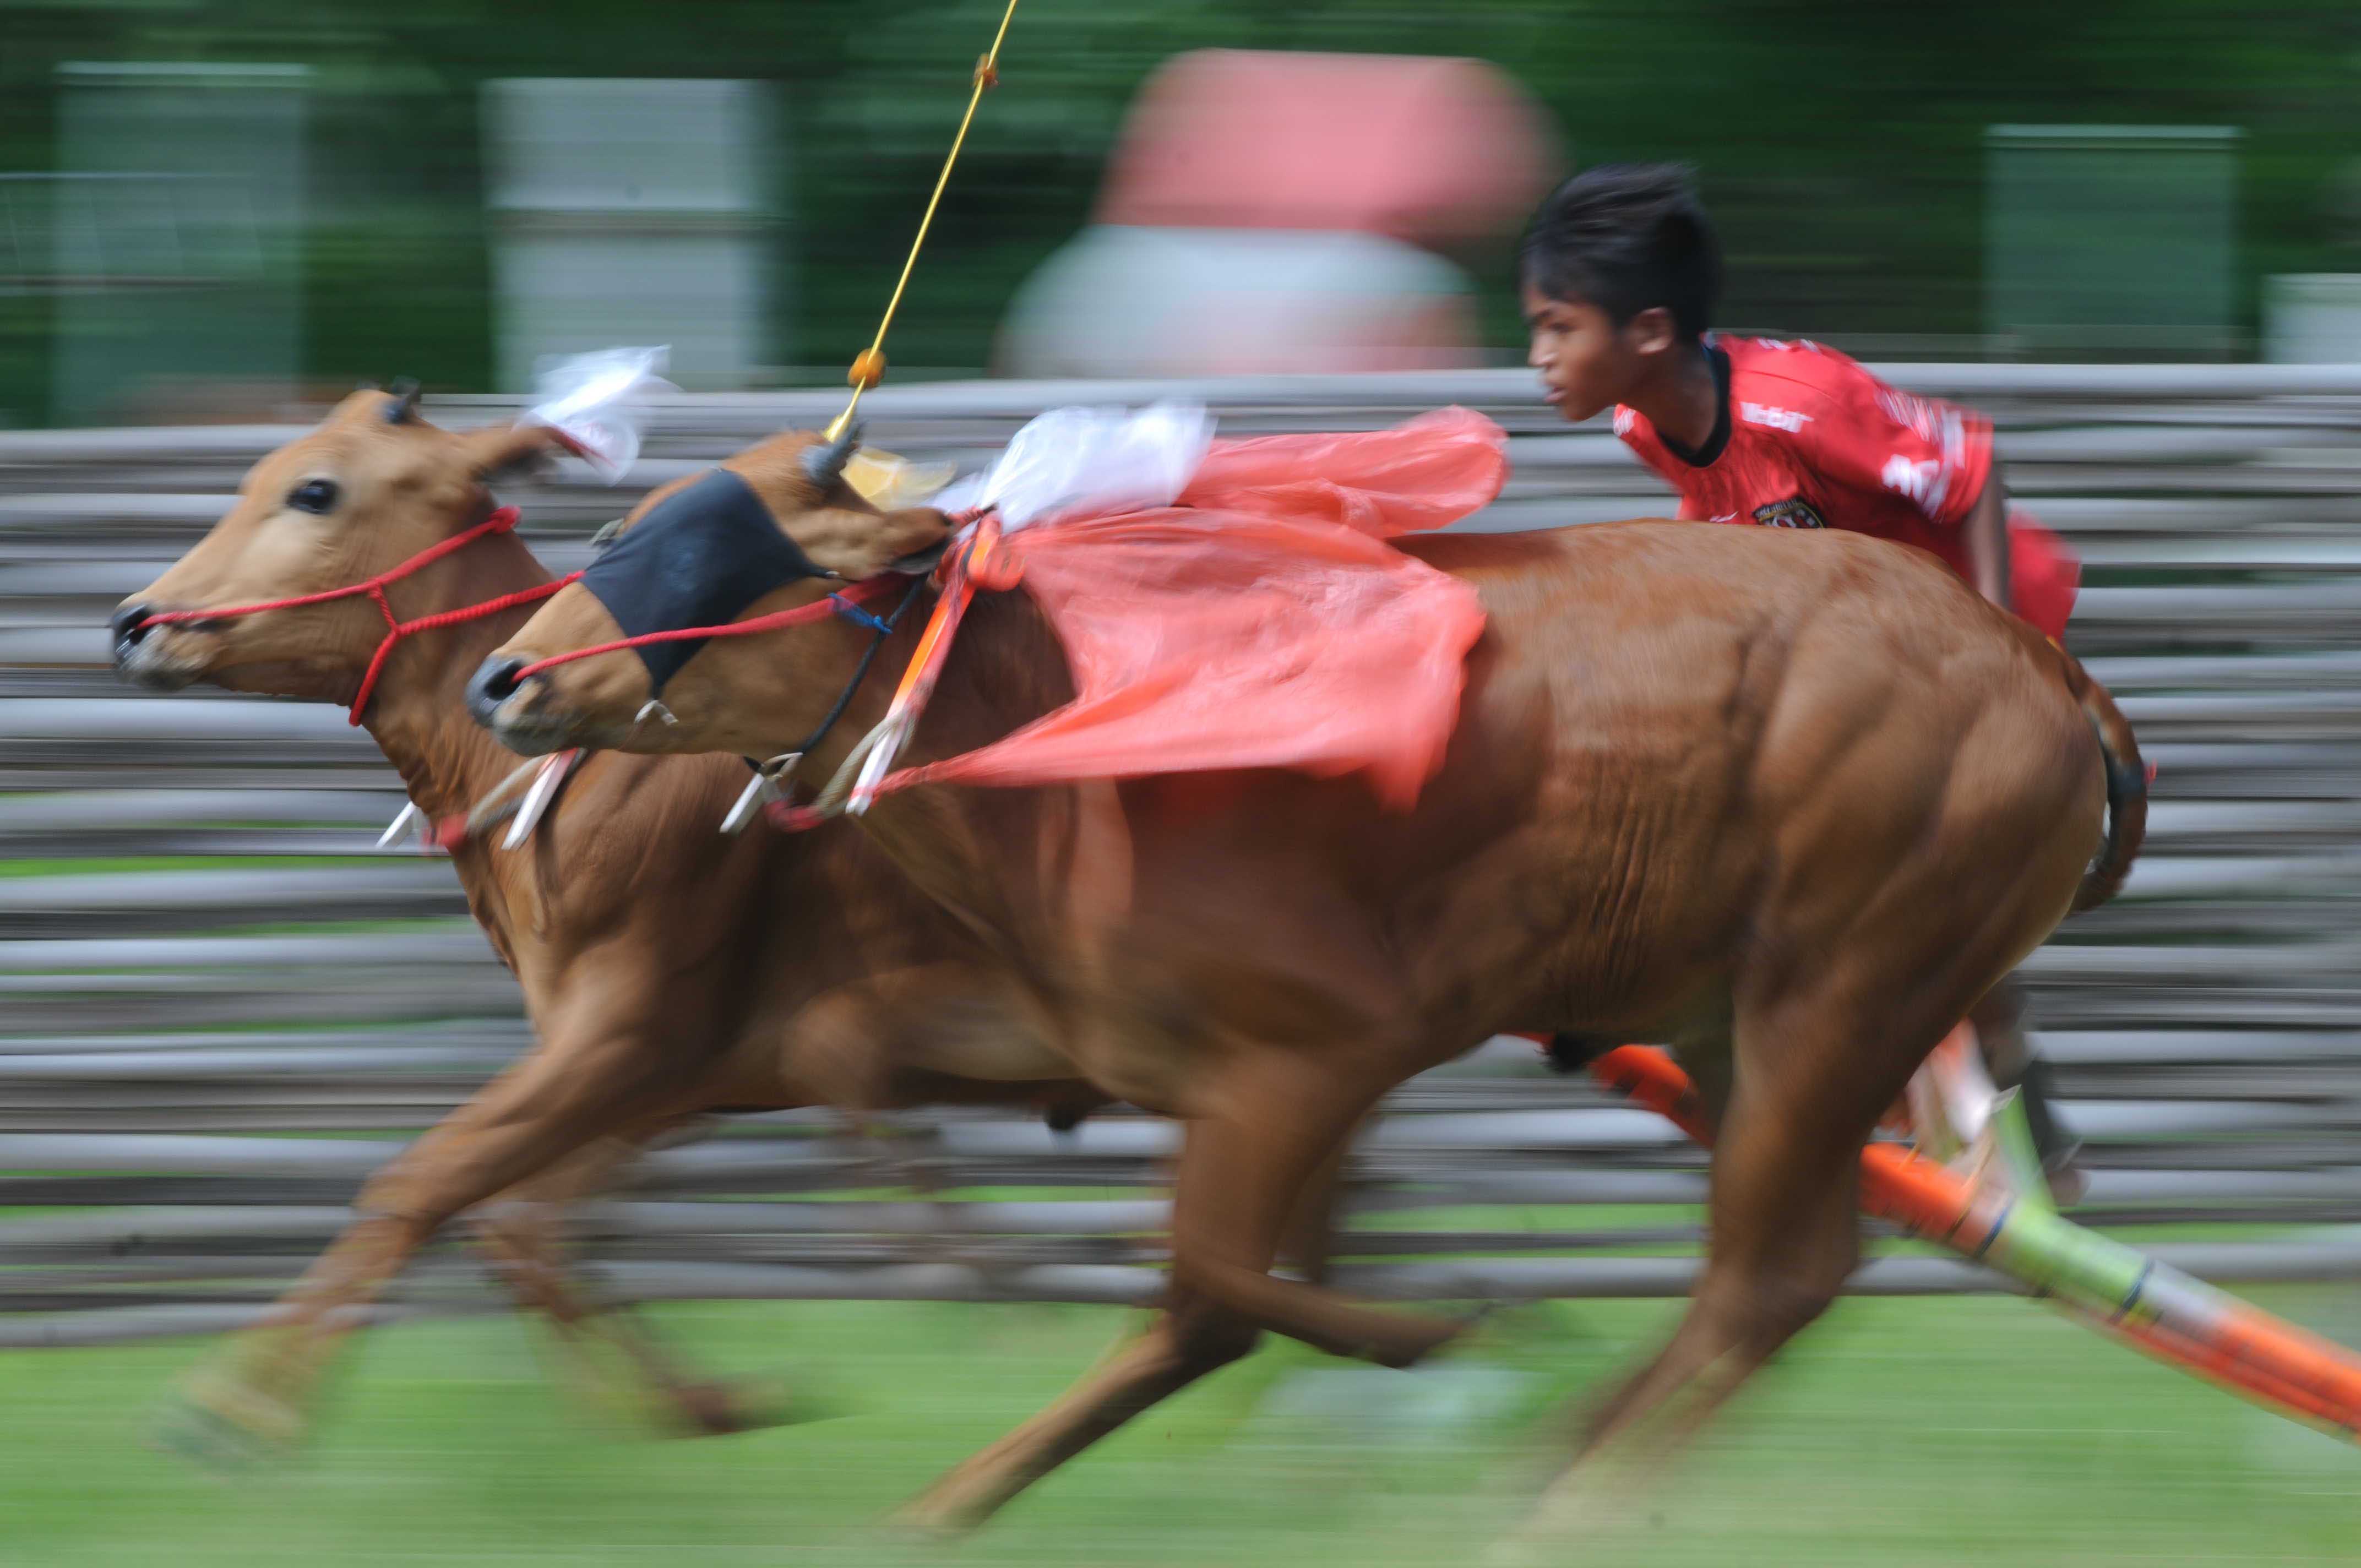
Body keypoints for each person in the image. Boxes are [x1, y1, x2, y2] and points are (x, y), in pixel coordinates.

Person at [1520, 162, 2086, 1204]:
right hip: (1861, 656)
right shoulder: (1643, 422)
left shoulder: (1803, 406)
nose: (1538, 358)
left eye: (1559, 328)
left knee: (1910, 888)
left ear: (1648, 332)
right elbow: (1733, 529)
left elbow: (1971, 473)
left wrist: (2005, 667)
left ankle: (1993, 1127)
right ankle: (1989, 1101)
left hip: (1974, 627)